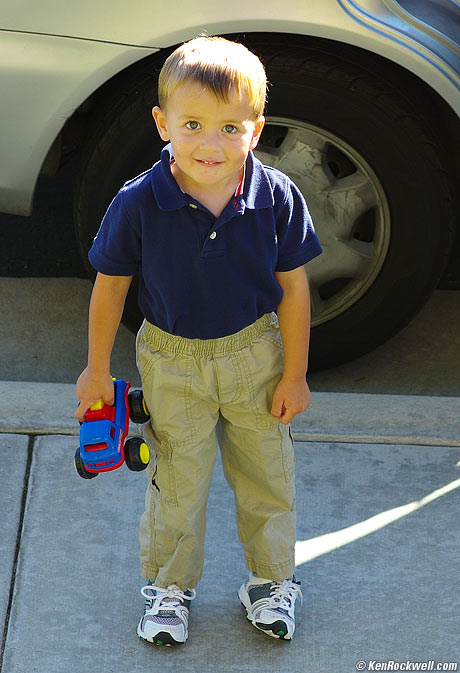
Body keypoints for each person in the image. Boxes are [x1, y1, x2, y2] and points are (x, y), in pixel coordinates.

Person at [75, 35, 322, 646]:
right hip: (171, 360)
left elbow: (294, 290)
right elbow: (109, 289)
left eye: (229, 128)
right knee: (178, 478)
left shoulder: (276, 197)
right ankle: (168, 589)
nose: (211, 144)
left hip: (254, 356)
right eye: (192, 124)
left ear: (256, 130)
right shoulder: (138, 202)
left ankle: (270, 582)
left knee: (267, 471)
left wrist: (295, 374)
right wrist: (96, 369)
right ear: (162, 124)